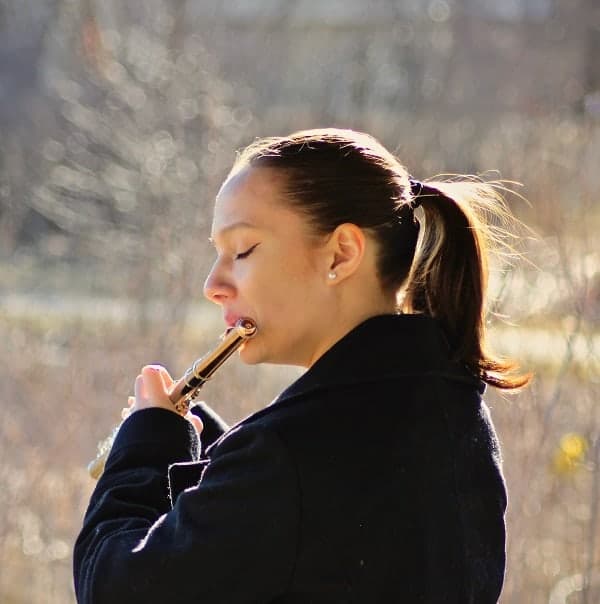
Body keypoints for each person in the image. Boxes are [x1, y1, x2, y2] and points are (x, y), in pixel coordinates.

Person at [74, 128, 530, 603]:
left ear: (341, 253)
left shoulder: (283, 457)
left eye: (243, 250)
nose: (213, 284)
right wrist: (199, 440)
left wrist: (143, 454)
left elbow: (116, 588)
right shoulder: (453, 411)